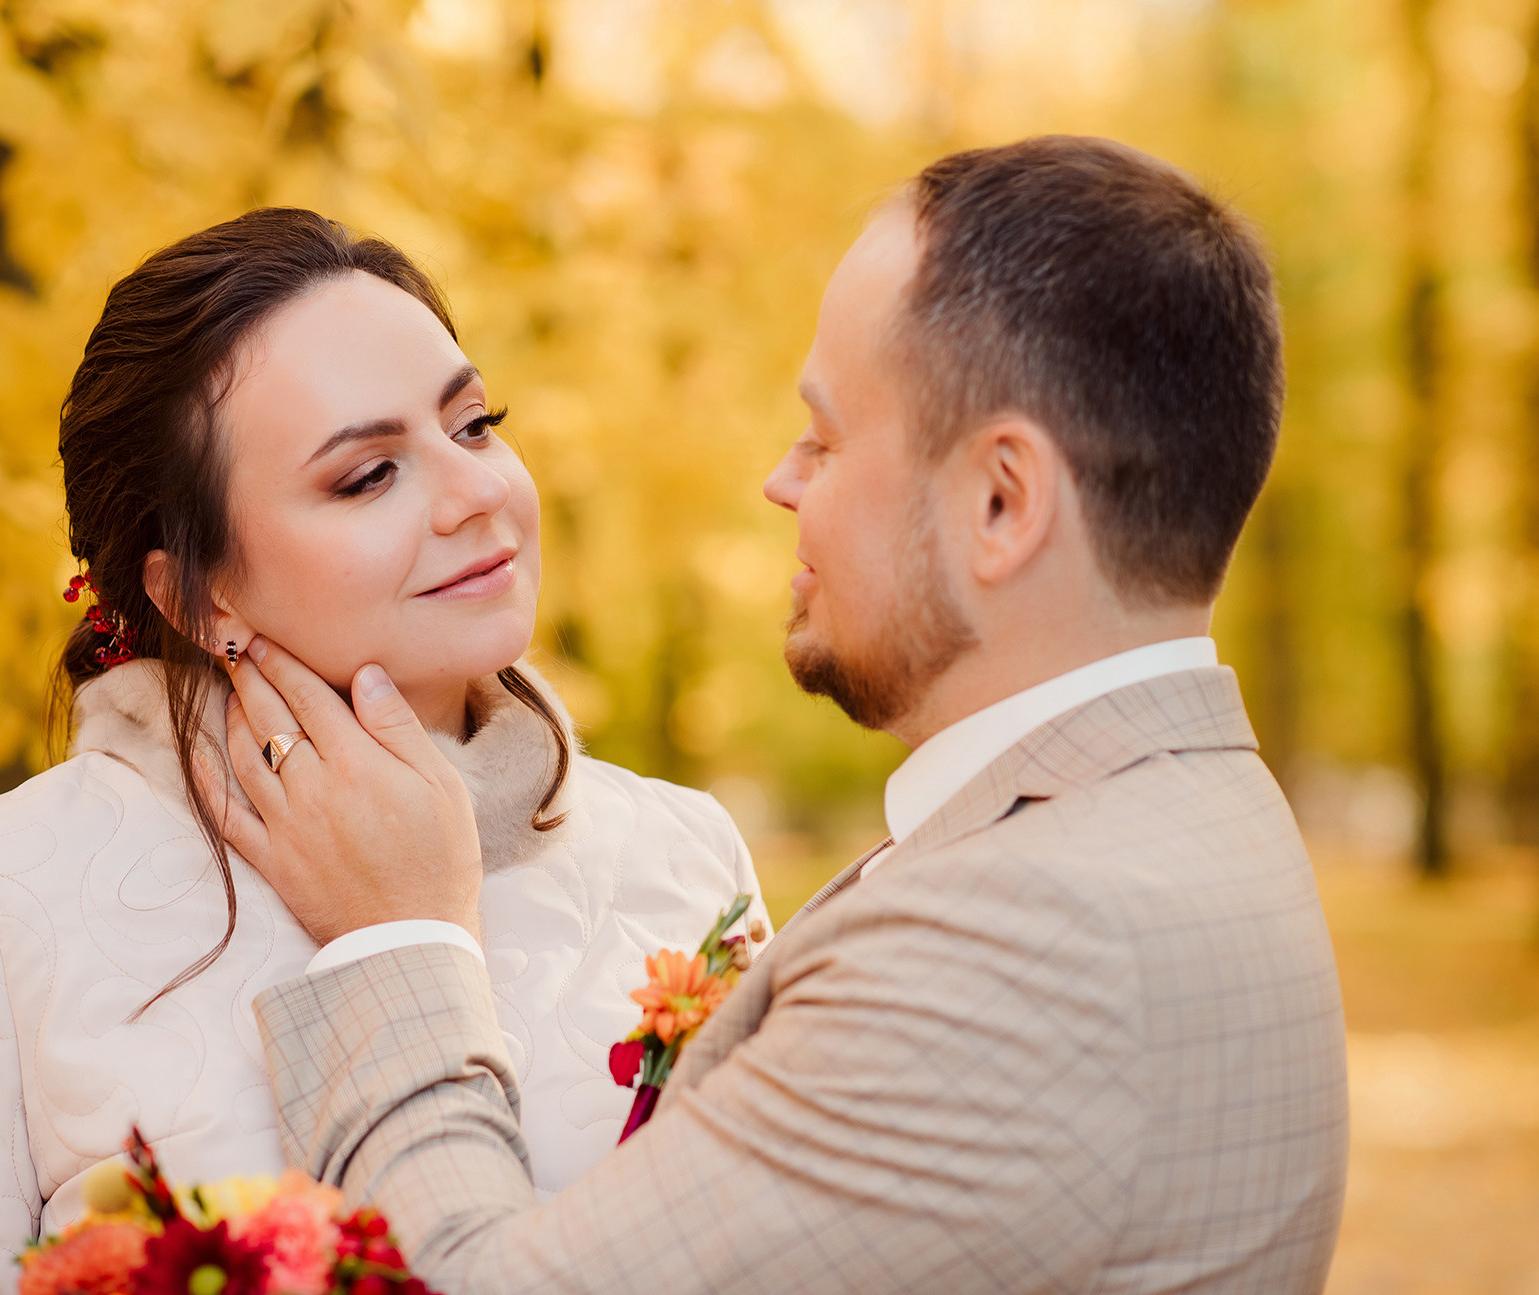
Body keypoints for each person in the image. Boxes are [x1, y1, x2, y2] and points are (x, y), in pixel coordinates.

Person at [211, 137, 1350, 1293]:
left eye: (825, 436)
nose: (780, 479)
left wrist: (397, 935)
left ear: (1001, 501)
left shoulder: (1013, 950)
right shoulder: (1184, 814)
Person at [0, 209, 766, 1292]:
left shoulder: (684, 851)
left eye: (475, 423)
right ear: (195, 594)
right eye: (365, 476)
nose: (478, 492)